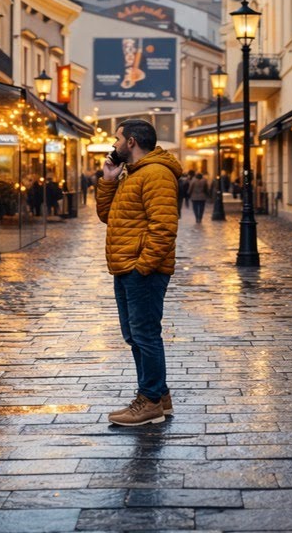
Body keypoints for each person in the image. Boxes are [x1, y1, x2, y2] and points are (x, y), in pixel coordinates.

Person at [96, 118, 182, 426]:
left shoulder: (156, 174)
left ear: (131, 141)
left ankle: (149, 402)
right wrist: (107, 180)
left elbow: (164, 228)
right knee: (135, 335)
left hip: (140, 268)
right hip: (126, 265)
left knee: (145, 335)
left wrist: (142, 266)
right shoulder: (131, 174)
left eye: (117, 138)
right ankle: (160, 396)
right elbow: (109, 216)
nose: (113, 144)